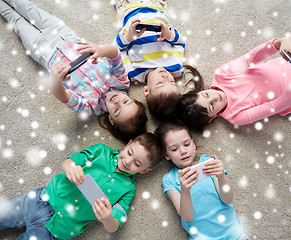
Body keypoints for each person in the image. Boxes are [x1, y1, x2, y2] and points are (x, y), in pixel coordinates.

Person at [0, 0, 147, 143]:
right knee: (27, 7)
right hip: (64, 34)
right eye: (126, 101)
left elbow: (63, 96)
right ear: (132, 99)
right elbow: (114, 54)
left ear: (111, 119)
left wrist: (56, 80)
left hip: (45, 53)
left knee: (16, 21)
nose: (117, 101)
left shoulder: (91, 106)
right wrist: (101, 50)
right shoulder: (122, 81)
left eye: (117, 110)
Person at [0, 132, 163, 239]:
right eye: (129, 153)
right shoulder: (101, 151)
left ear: (145, 170)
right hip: (40, 199)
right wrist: (71, 168)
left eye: (137, 163)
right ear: (128, 144)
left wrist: (107, 218)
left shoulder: (128, 189)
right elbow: (68, 162)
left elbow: (115, 225)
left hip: (56, 229)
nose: (128, 161)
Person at [178, 37, 291, 131]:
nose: (215, 97)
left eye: (206, 95)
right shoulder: (235, 116)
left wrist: (278, 43)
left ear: (200, 91)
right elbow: (272, 107)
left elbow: (252, 57)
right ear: (211, 119)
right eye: (212, 106)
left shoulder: (222, 75)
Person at [155, 121, 249, 240]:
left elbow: (228, 199)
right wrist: (185, 190)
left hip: (234, 234)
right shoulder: (170, 179)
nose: (183, 151)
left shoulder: (208, 163)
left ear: (193, 144)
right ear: (166, 155)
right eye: (174, 149)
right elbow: (187, 217)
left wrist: (221, 177)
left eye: (187, 144)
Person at [113, 1, 201, 120]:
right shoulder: (176, 68)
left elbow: (116, 51)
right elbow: (180, 43)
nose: (166, 77)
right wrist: (169, 35)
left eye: (160, 83)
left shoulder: (132, 72)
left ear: (146, 90)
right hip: (155, 7)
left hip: (129, 10)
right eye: (172, 82)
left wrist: (128, 37)